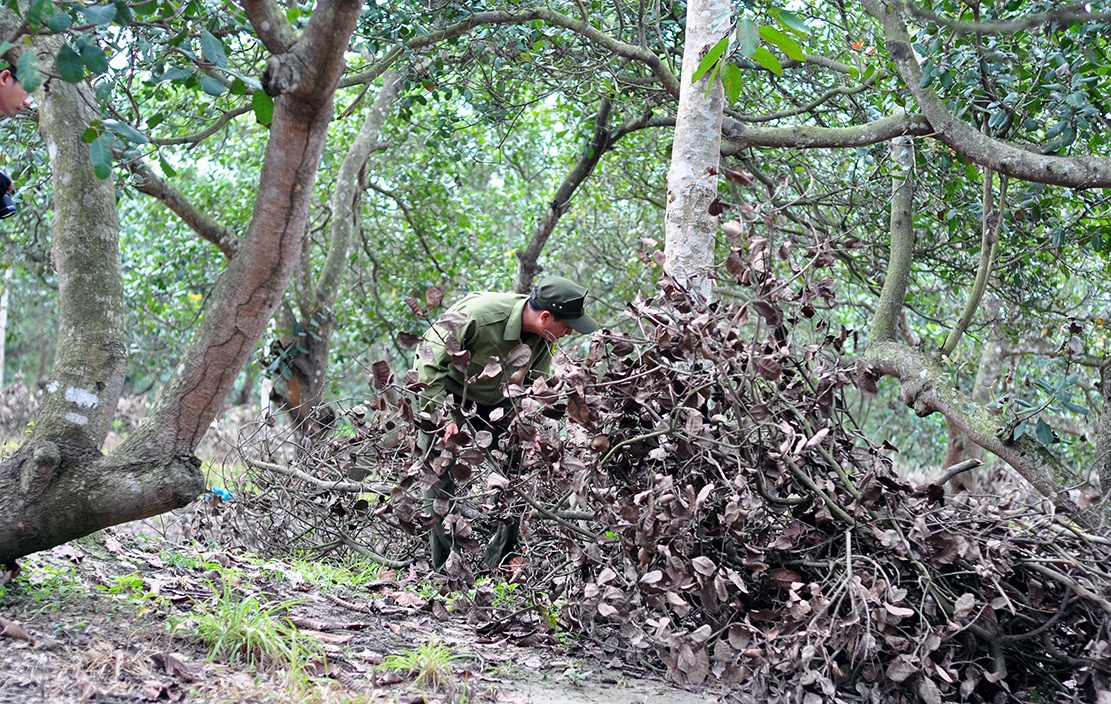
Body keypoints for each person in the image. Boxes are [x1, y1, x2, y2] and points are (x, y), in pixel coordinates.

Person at [413, 275, 599, 572]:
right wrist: (442, 414)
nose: (568, 332)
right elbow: (428, 361)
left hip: (497, 401)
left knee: (517, 470)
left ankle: (499, 562)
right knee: (439, 479)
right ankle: (444, 570)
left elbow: (529, 386)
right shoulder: (480, 315)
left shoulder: (543, 337)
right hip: (445, 393)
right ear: (546, 317)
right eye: (567, 325)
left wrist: (527, 425)